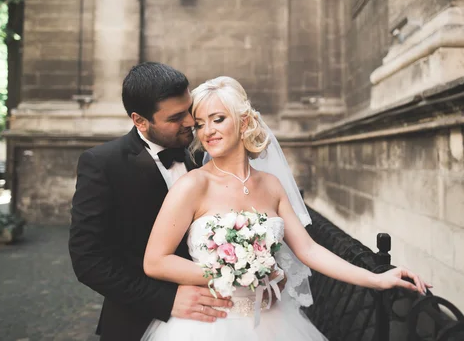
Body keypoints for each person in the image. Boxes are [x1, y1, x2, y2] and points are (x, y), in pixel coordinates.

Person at [142, 76, 431, 340]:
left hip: (272, 321)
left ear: (244, 123)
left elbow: (309, 250)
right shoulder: (193, 185)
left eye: (217, 119)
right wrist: (231, 272)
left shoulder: (271, 185)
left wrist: (375, 278)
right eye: (201, 124)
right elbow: (156, 261)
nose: (208, 131)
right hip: (212, 323)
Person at [69, 63, 233, 341]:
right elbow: (89, 260)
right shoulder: (103, 164)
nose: (191, 123)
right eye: (175, 117)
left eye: (189, 110)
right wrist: (166, 300)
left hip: (221, 317)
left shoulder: (208, 152)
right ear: (140, 121)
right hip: (139, 319)